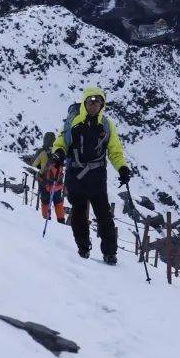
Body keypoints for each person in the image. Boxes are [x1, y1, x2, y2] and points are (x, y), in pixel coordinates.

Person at [51, 84, 130, 265]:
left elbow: (115, 151)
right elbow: (61, 142)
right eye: (91, 101)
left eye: (98, 102)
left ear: (102, 104)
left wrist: (122, 168)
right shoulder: (73, 122)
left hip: (96, 177)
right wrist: (59, 153)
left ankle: (110, 253)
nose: (94, 105)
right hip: (76, 175)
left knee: (104, 216)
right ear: (84, 103)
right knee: (79, 214)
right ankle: (83, 248)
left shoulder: (107, 125)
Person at [40, 154, 66, 224]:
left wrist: (45, 184)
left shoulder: (47, 164)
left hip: (48, 187)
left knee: (45, 202)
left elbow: (40, 175)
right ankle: (61, 220)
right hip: (57, 187)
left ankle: (46, 218)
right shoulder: (59, 165)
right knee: (58, 203)